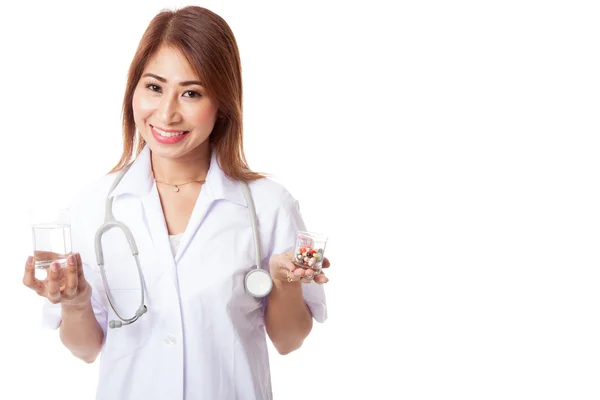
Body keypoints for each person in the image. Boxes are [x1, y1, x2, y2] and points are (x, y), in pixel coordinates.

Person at [22, 6, 329, 400]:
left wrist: (285, 284)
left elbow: (289, 341)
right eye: (153, 87)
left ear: (222, 104)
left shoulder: (270, 206)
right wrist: (77, 302)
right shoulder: (95, 205)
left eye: (191, 93)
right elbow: (84, 350)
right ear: (133, 89)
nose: (166, 113)